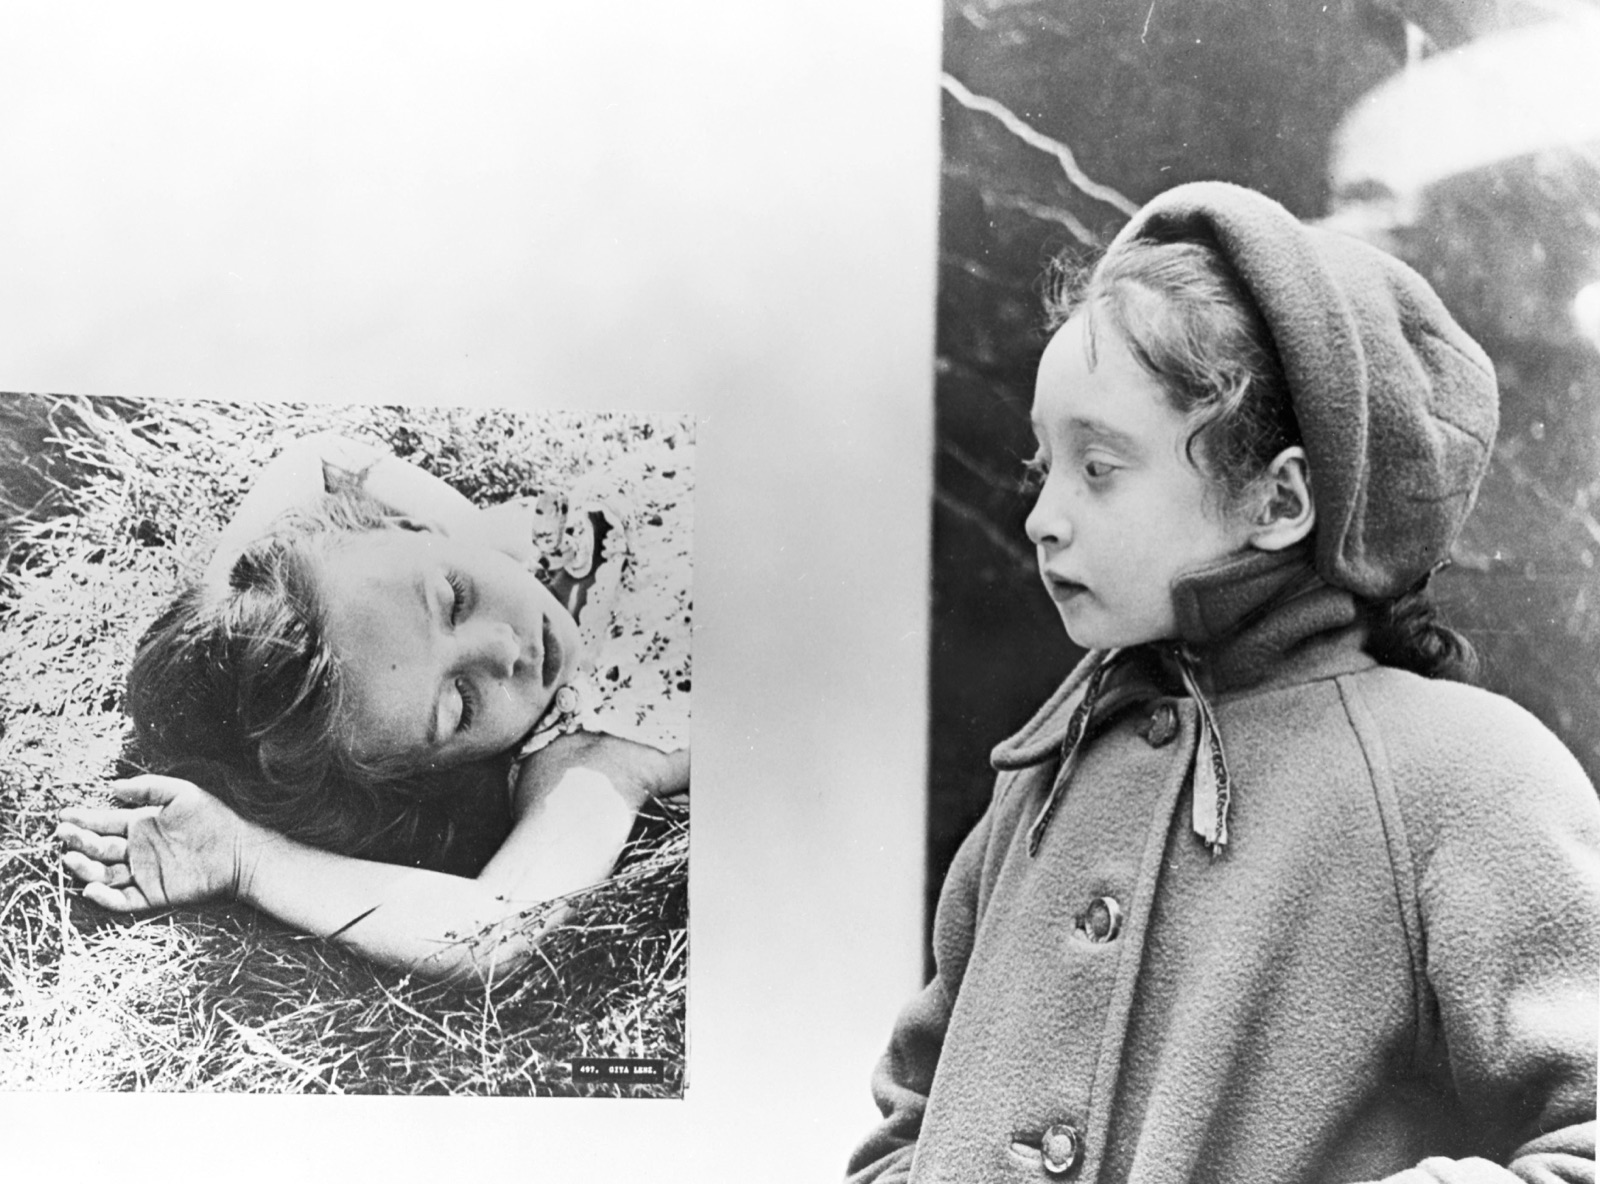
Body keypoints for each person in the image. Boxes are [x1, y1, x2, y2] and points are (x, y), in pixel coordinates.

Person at [848, 183, 1599, 1182]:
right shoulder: (1049, 770)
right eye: (1043, 464)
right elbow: (912, 1111)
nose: (1042, 516)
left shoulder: (1470, 779)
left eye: (1099, 465)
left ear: (1278, 498)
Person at [55, 425, 691, 985]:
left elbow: (319, 456)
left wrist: (232, 606)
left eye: (454, 598)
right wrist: (248, 858)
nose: (505, 649)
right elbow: (492, 933)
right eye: (459, 706)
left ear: (411, 528)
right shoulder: (587, 751)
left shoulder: (496, 544)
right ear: (438, 773)